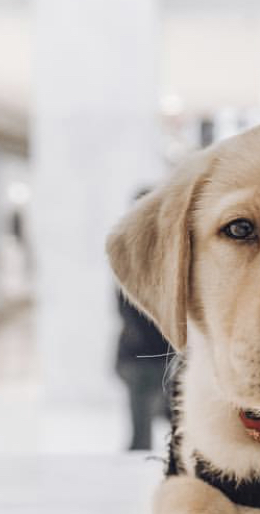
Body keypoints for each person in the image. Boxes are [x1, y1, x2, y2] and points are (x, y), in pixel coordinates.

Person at [114, 188, 172, 450]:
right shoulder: (130, 257)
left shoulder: (167, 257)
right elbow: (130, 315)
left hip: (158, 358)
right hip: (142, 360)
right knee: (142, 436)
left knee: (178, 429)